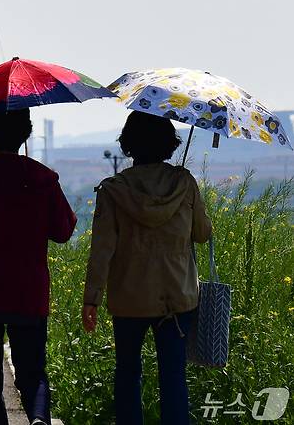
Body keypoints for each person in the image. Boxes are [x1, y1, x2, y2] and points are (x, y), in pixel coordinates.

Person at [82, 111, 212, 425]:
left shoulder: (114, 190)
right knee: (173, 375)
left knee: (128, 373)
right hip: (176, 298)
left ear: (128, 145)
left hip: (129, 299)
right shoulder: (184, 183)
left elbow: (102, 251)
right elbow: (202, 234)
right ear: (170, 144)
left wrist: (92, 299)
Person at [0, 108, 77, 425]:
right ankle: (38, 418)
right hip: (29, 292)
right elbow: (62, 232)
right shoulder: (44, 179)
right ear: (26, 133)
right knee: (33, 372)